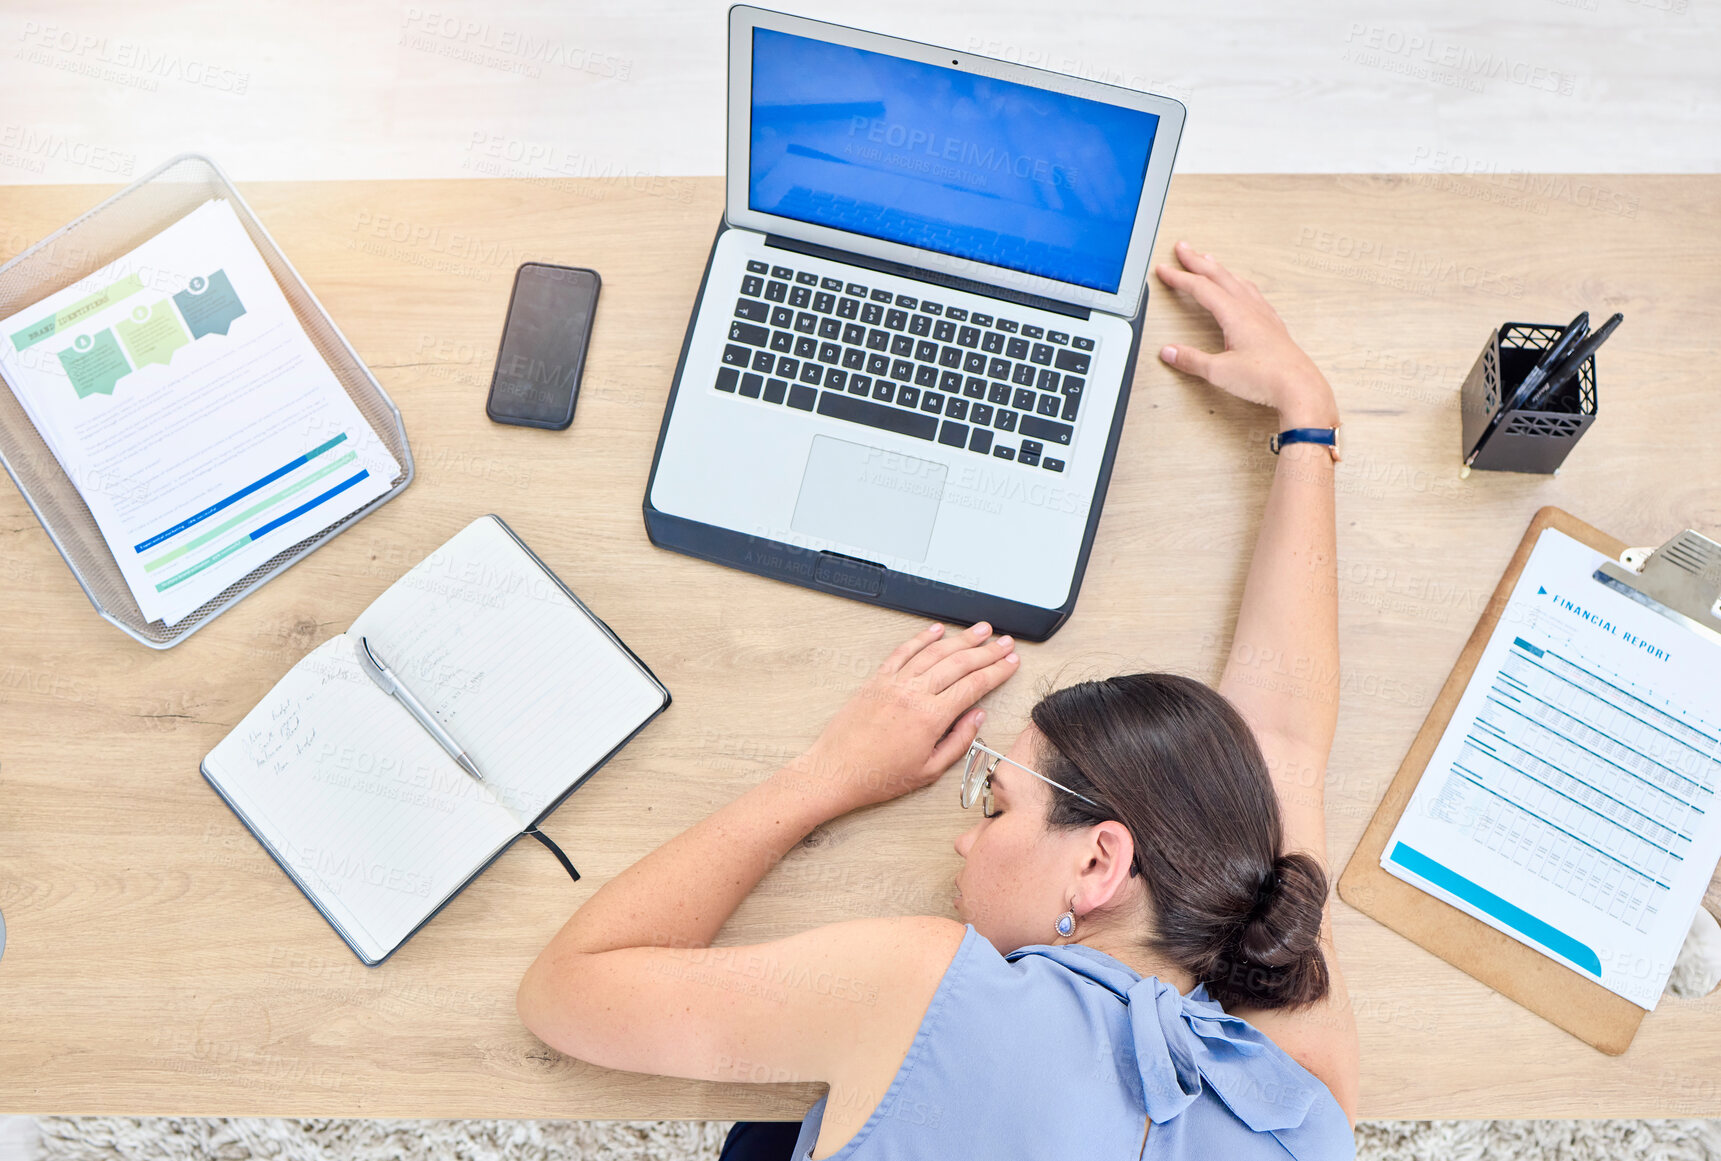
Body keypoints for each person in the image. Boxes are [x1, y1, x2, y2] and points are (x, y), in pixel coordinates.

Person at [516, 242, 1359, 1159]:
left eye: (996, 800)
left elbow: (564, 992)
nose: (966, 834)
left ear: (1098, 865)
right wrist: (1305, 422)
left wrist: (821, 777)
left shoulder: (915, 986)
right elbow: (1279, 745)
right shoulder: (1294, 1102)